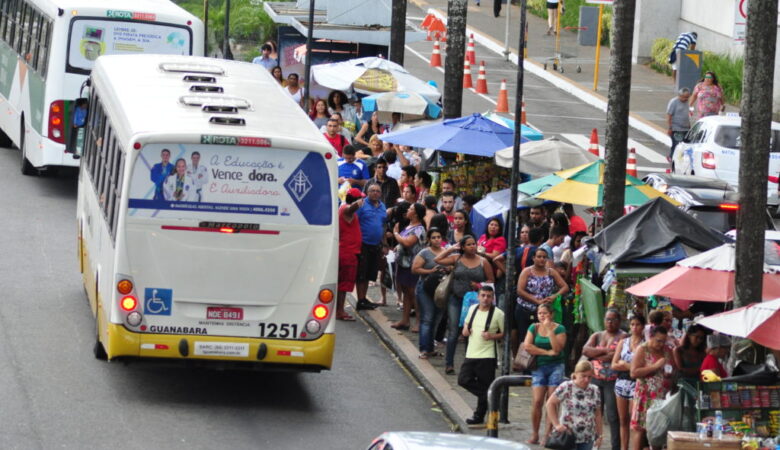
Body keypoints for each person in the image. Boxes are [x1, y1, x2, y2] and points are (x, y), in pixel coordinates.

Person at [435, 235, 495, 375]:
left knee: (470, 333)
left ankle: (469, 365)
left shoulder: (483, 261)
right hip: (456, 300)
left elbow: (491, 280)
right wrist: (451, 249)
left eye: (474, 244)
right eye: (468, 244)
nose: (472, 246)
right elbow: (437, 259)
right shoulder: (457, 259)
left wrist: (479, 285)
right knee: (454, 331)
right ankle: (449, 364)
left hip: (474, 303)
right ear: (462, 247)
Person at [459, 285, 505, 425]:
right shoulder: (472, 309)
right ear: (478, 296)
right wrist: (466, 331)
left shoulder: (498, 314)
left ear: (493, 298)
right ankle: (489, 395)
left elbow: (504, 334)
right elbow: (465, 327)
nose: (485, 299)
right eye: (483, 295)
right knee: (463, 379)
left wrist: (492, 336)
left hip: (487, 355)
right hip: (471, 352)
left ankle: (479, 416)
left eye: (489, 296)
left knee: (485, 383)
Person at [582, 309, 627, 450]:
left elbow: (615, 357)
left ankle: (615, 446)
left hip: (612, 379)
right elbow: (585, 350)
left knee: (613, 416)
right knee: (594, 413)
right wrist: (605, 352)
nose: (610, 322)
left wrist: (595, 355)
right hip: (595, 378)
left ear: (619, 321)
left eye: (613, 319)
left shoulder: (623, 336)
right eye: (607, 319)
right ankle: (593, 444)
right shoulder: (598, 335)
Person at [523, 303, 567, 445]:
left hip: (556, 366)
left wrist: (549, 330)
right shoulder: (533, 327)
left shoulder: (559, 328)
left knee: (551, 400)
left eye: (545, 313)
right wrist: (546, 352)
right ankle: (535, 433)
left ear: (551, 314)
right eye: (539, 313)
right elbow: (527, 346)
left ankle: (547, 434)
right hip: (539, 366)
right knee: (537, 401)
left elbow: (557, 348)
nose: (542, 316)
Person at [516, 248, 569, 361]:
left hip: (544, 312)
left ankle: (543, 360)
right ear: (533, 258)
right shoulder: (527, 271)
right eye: (539, 256)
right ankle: (525, 365)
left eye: (544, 257)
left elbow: (565, 287)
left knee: (543, 336)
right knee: (526, 338)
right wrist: (536, 301)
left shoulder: (551, 272)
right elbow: (520, 291)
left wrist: (555, 296)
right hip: (526, 309)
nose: (542, 259)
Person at [630, 326, 676, 450]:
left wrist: (669, 373)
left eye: (663, 341)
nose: (660, 344)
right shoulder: (642, 349)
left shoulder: (667, 350)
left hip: (661, 396)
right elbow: (634, 373)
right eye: (658, 340)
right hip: (644, 395)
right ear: (650, 337)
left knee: (658, 429)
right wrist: (654, 367)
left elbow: (674, 368)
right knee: (640, 428)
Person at [547, 360, 605, 450]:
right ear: (576, 374)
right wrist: (556, 424)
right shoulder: (566, 387)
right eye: (583, 376)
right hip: (567, 435)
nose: (586, 380)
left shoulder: (594, 390)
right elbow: (550, 403)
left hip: (587, 436)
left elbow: (597, 414)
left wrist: (600, 435)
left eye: (589, 377)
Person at [413, 227, 449, 359]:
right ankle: (424, 349)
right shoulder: (424, 253)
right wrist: (431, 271)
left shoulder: (446, 252)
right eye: (433, 237)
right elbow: (415, 269)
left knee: (437, 319)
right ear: (429, 239)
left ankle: (430, 348)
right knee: (427, 318)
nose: (437, 240)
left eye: (438, 237)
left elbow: (452, 266)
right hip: (425, 288)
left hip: (441, 290)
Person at [612, 314, 646, 450]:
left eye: (637, 324)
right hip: (621, 382)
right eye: (632, 324)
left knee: (634, 420)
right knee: (623, 419)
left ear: (643, 326)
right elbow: (614, 364)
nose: (634, 327)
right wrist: (632, 366)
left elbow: (641, 368)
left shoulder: (645, 344)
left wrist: (626, 365)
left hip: (636, 383)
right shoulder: (623, 342)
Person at [391, 203, 427, 331]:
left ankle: (418, 321)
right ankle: (405, 320)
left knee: (414, 293)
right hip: (403, 264)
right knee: (407, 292)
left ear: (416, 214)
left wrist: (395, 234)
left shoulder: (419, 229)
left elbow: (407, 242)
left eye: (411, 209)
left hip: (412, 264)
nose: (408, 210)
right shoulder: (409, 226)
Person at [355, 183, 387, 311]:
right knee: (361, 273)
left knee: (370, 273)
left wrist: (384, 244)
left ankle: (363, 299)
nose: (375, 193)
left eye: (378, 191)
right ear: (367, 192)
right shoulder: (362, 204)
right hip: (363, 243)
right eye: (372, 190)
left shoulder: (382, 206)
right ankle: (360, 300)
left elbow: (383, 225)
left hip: (376, 245)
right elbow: (354, 221)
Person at [336, 188, 364, 321]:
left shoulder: (345, 211)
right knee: (344, 284)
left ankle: (338, 310)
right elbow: (350, 209)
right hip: (348, 253)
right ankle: (340, 311)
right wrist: (357, 204)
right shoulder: (345, 209)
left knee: (343, 284)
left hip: (349, 252)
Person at [667, 88, 692, 160]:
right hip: (676, 128)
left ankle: (681, 158)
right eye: (683, 97)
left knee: (686, 145)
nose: (685, 99)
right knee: (677, 144)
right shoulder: (674, 102)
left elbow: (688, 114)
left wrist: (689, 125)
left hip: (686, 128)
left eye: (687, 97)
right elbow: (669, 115)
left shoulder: (688, 102)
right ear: (679, 95)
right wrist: (670, 127)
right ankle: (672, 157)